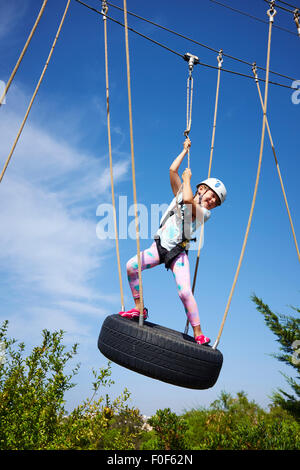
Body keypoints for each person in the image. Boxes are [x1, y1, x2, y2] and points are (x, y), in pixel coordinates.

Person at [119, 137, 227, 345]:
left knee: (185, 291)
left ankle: (198, 333)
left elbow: (188, 199)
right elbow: (172, 171)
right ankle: (139, 307)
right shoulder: (181, 192)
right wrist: (184, 151)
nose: (212, 202)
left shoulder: (205, 213)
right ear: (202, 188)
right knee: (131, 266)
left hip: (178, 253)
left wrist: (187, 181)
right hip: (159, 247)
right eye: (212, 195)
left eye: (216, 202)